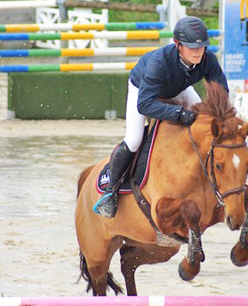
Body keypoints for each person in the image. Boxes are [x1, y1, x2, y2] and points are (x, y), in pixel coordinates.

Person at [93, 16, 229, 218]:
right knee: (134, 138)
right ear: (177, 45)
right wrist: (179, 114)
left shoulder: (208, 59)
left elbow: (221, 92)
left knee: (206, 125)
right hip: (143, 91)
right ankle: (110, 191)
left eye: (201, 47)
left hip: (178, 88)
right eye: (192, 47)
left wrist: (225, 120)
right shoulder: (159, 63)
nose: (198, 51)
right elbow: (145, 104)